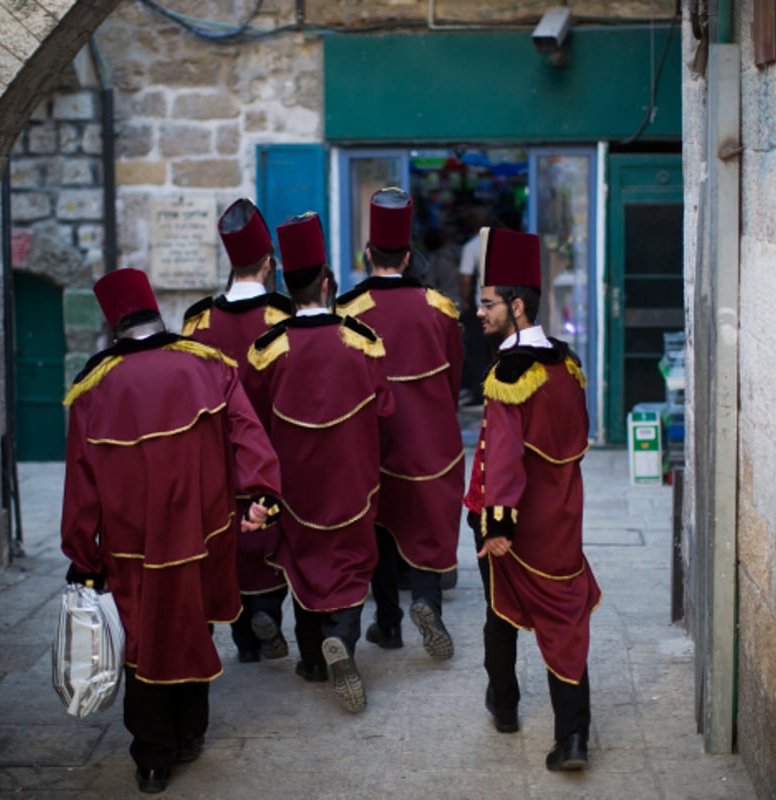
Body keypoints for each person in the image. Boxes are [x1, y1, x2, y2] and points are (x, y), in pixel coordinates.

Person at [61, 268, 283, 794]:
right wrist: (262, 495)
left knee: (143, 639)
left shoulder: (93, 388)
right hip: (204, 531)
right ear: (156, 314)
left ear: (114, 326)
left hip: (131, 545)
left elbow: (80, 483)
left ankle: (152, 759)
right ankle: (190, 735)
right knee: (193, 622)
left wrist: (83, 555)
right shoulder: (208, 365)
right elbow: (247, 432)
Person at [464, 227, 601, 771]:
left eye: (488, 303)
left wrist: (495, 524)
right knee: (559, 623)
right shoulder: (567, 364)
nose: (479, 312)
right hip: (563, 520)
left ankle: (516, 712)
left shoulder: (510, 374)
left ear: (517, 306)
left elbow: (502, 458)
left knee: (506, 615)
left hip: (514, 524)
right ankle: (554, 727)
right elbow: (578, 439)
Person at [249, 211, 394, 713]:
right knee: (352, 557)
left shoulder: (269, 348)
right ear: (329, 283)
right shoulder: (361, 339)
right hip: (352, 473)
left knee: (303, 558)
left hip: (294, 480)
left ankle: (313, 659)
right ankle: (344, 641)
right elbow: (385, 407)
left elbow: (255, 417)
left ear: (288, 289)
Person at [336, 187, 464, 661]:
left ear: (367, 255)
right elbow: (453, 376)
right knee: (427, 521)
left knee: (380, 527)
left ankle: (387, 621)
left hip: (373, 439)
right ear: (409, 257)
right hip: (429, 437)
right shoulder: (441, 308)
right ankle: (428, 603)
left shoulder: (347, 311)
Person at [182, 198, 294, 665]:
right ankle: (266, 610)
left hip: (214, 457)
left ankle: (245, 635)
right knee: (267, 537)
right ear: (269, 264)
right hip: (268, 449)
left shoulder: (197, 321)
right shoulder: (282, 319)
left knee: (225, 540)